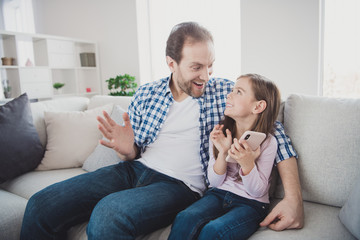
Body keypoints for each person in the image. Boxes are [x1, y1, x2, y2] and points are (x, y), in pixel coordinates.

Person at [20, 22, 303, 240]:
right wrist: (127, 149)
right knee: (41, 204)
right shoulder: (147, 93)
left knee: (109, 215)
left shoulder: (223, 93)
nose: (206, 75)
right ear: (171, 63)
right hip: (134, 169)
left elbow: (272, 131)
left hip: (179, 185)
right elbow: (134, 151)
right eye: (196, 67)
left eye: (210, 65)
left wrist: (293, 199)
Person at [169, 74, 281, 240]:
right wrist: (222, 152)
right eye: (232, 90)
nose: (229, 95)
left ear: (258, 106)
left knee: (214, 231)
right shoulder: (220, 134)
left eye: (239, 92)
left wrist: (248, 164)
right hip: (218, 194)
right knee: (184, 218)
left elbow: (257, 191)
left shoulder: (268, 142)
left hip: (251, 203)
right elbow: (214, 182)